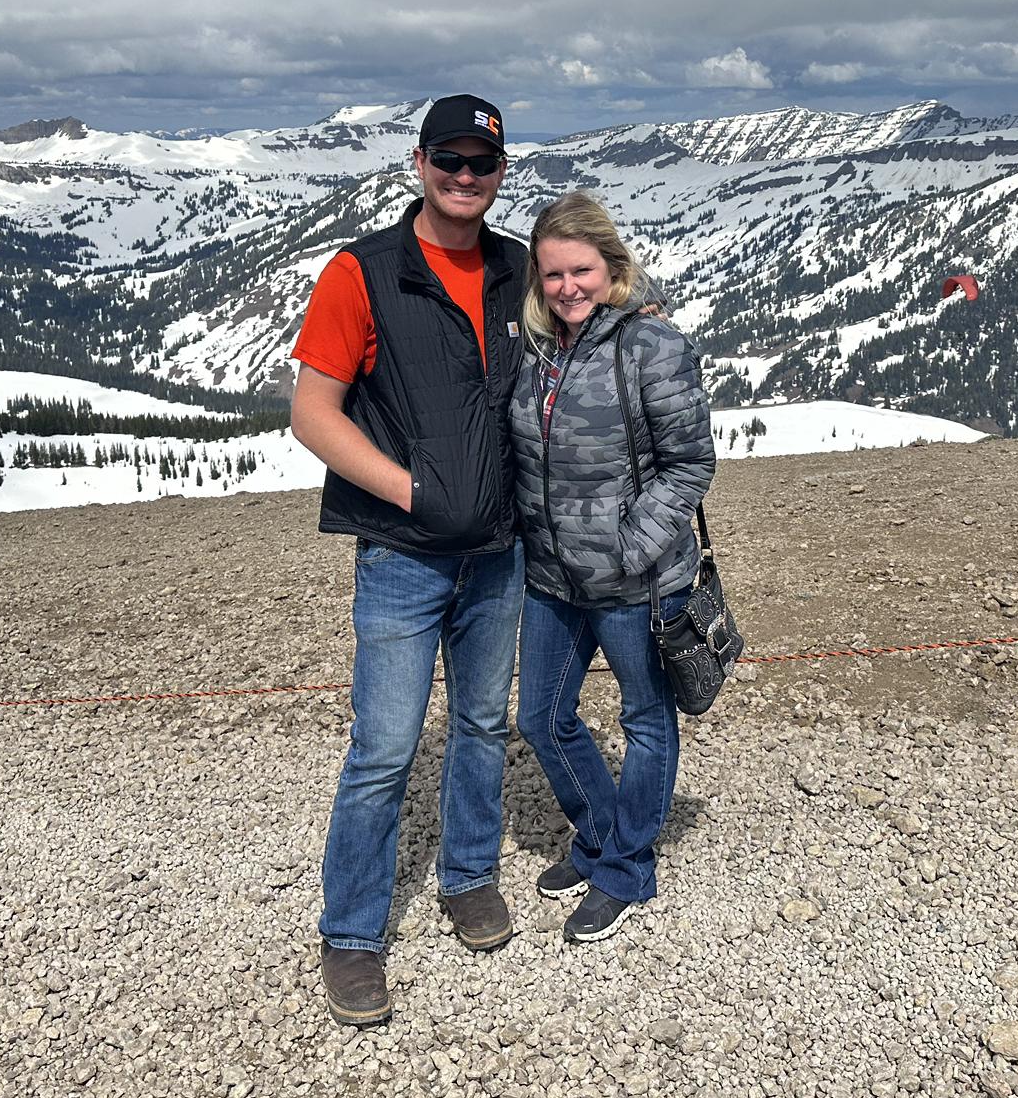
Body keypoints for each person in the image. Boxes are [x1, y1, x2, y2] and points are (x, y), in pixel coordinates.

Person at [289, 94, 527, 1028]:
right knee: (385, 748)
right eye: (449, 160)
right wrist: (407, 491)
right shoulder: (363, 272)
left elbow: (591, 309)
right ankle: (352, 932)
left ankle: (467, 876)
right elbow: (314, 414)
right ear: (418, 163)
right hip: (402, 556)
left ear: (500, 171)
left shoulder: (516, 268)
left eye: (482, 163)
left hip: (498, 553)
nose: (465, 176)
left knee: (480, 724)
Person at [509, 192, 716, 942]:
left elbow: (690, 463)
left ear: (613, 267)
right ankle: (601, 835)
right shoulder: (535, 349)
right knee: (541, 717)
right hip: (552, 577)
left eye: (582, 271)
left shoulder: (651, 345)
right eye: (553, 274)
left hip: (636, 581)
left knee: (646, 720)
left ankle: (626, 869)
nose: (568, 287)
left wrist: (631, 545)